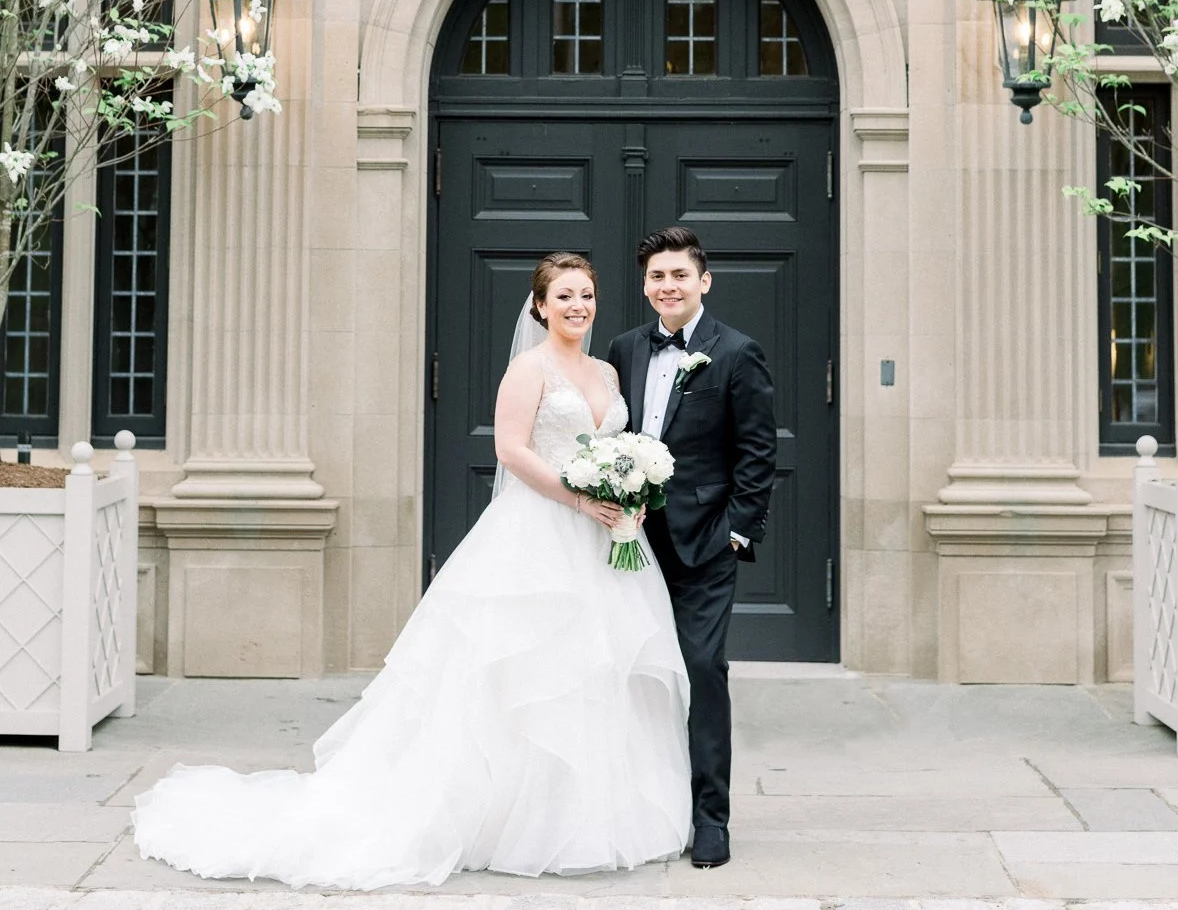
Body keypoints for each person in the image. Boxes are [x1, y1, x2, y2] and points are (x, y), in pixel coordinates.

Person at [131, 253, 691, 889]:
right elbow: (510, 450)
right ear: (540, 306)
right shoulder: (527, 370)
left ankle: (590, 817)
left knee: (599, 671)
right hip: (540, 533)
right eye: (563, 295)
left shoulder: (608, 373)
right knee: (524, 671)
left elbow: (621, 448)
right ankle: (503, 817)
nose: (577, 306)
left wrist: (627, 494)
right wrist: (579, 497)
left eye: (586, 294)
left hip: (607, 543)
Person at [608, 226, 777, 870]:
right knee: (630, 674)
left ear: (703, 281)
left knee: (702, 674)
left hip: (703, 544)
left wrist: (736, 530)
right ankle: (638, 805)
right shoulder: (625, 348)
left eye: (679, 275)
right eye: (657, 276)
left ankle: (711, 818)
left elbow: (757, 452)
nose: (667, 286)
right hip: (627, 544)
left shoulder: (736, 352)